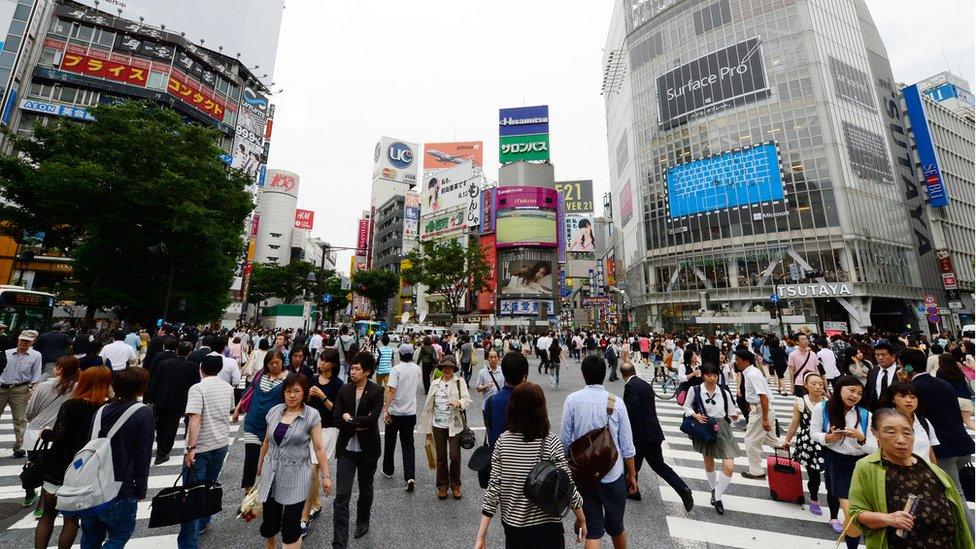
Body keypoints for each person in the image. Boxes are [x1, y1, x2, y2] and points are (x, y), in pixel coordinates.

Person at [476, 382, 586, 549]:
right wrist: (581, 517)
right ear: (541, 409)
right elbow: (567, 486)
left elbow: (494, 489)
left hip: (515, 529)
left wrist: (481, 537)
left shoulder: (503, 442)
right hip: (548, 527)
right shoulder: (551, 441)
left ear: (512, 409)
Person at [848, 408, 973, 549]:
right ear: (875, 433)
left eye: (907, 432)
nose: (901, 440)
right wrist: (889, 519)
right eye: (890, 432)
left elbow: (958, 519)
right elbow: (856, 514)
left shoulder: (935, 471)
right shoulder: (867, 467)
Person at [560, 355, 638, 548]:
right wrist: (632, 475)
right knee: (617, 528)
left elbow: (564, 440)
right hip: (612, 475)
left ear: (583, 374)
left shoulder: (572, 400)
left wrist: (568, 471)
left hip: (584, 476)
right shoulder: (616, 403)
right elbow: (627, 446)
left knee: (592, 531)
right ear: (604, 374)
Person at [35, 365, 111, 549]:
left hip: (58, 463)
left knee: (47, 516)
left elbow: (58, 434)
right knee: (71, 520)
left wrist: (44, 433)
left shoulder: (71, 404)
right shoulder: (106, 408)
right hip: (83, 467)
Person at [79, 367, 153, 549]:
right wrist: (141, 487)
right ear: (141, 388)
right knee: (119, 536)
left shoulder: (100, 411)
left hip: (91, 486)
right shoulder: (142, 412)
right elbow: (143, 453)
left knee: (90, 537)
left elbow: (90, 444)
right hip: (121, 486)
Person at [257, 374, 332, 549]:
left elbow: (319, 448)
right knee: (270, 525)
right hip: (272, 473)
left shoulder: (312, 415)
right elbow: (267, 442)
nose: (291, 395)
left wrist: (326, 476)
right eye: (288, 391)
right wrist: (260, 466)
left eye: (297, 391)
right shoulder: (274, 411)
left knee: (291, 527)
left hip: (297, 476)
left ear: (305, 393)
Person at [810, 375, 877, 545]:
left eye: (859, 393)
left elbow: (874, 448)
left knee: (855, 515)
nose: (855, 396)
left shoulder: (866, 415)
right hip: (837, 462)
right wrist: (828, 437)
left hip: (861, 464)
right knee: (852, 515)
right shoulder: (822, 408)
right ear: (839, 388)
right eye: (851, 390)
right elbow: (814, 433)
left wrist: (860, 438)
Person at [178, 355, 236, 548]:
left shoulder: (197, 388)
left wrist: (191, 448)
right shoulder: (228, 388)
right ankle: (204, 522)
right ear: (219, 369)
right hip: (220, 444)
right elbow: (228, 410)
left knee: (191, 495)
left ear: (201, 368)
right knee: (209, 485)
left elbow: (195, 418)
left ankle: (188, 542)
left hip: (201, 447)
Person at [620, 362, 693, 510]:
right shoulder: (645, 384)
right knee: (658, 465)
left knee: (631, 464)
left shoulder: (630, 386)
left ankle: (631, 491)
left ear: (623, 375)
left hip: (639, 435)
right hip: (653, 432)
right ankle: (682, 488)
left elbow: (631, 411)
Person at [906, 348, 975, 499]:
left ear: (907, 368)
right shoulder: (942, 383)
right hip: (962, 444)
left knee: (954, 494)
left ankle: (967, 524)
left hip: (943, 450)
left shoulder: (915, 389)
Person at [332, 352, 383, 547]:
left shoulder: (377, 390)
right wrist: (351, 421)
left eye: (357, 369)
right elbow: (336, 418)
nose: (352, 371)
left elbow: (372, 419)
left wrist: (350, 418)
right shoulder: (345, 390)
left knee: (366, 488)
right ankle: (339, 542)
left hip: (367, 449)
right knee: (342, 495)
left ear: (367, 372)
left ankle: (363, 521)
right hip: (346, 449)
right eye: (352, 368)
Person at [23, 355, 80, 513]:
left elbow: (30, 412)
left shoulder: (42, 386)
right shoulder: (78, 388)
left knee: (33, 463)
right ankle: (42, 506)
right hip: (59, 434)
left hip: (36, 432)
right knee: (49, 470)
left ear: (59, 369)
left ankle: (29, 493)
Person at [682, 363, 739, 515]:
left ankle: (718, 496)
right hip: (705, 426)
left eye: (715, 375)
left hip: (723, 428)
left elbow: (731, 412)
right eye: (709, 375)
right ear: (703, 375)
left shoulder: (724, 392)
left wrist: (734, 416)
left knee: (729, 465)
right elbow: (686, 406)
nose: (712, 378)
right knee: (709, 461)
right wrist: (695, 415)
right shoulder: (695, 390)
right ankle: (714, 489)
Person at [782, 372, 839, 519]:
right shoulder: (800, 402)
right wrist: (787, 441)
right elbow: (794, 423)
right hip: (808, 443)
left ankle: (833, 510)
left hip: (826, 442)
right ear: (806, 386)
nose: (818, 386)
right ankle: (814, 498)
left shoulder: (828, 402)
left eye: (820, 384)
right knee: (814, 476)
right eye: (814, 383)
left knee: (829, 475)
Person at [300, 348, 343, 536]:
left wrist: (322, 396)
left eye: (326, 361)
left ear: (333, 364)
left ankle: (304, 518)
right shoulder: (314, 380)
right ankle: (316, 504)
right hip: (311, 428)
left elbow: (337, 410)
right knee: (310, 468)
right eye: (321, 360)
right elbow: (307, 405)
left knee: (313, 468)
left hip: (327, 430)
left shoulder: (338, 384)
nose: (322, 363)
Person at [235, 350, 287, 494]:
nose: (274, 365)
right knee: (251, 457)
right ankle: (248, 493)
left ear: (283, 362)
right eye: (271, 363)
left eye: (277, 362)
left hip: (272, 427)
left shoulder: (288, 379)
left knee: (268, 460)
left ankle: (266, 492)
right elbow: (249, 391)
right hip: (252, 422)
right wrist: (237, 408)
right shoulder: (260, 374)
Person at [419, 355, 471, 500]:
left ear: (454, 368)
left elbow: (467, 399)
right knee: (441, 458)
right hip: (438, 425)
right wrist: (427, 430)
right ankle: (442, 486)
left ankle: (456, 485)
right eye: (445, 367)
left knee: (454, 456)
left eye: (450, 367)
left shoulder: (460, 382)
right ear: (441, 368)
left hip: (455, 424)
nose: (448, 369)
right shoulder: (435, 383)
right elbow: (428, 407)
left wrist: (459, 403)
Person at [149, 341, 200, 465]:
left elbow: (154, 381)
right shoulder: (192, 366)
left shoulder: (163, 364)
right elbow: (195, 385)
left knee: (160, 424)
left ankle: (161, 446)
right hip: (179, 400)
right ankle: (164, 451)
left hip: (162, 398)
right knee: (172, 425)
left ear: (177, 350)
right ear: (189, 352)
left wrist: (152, 397)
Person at [735, 348, 783, 479]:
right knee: (772, 440)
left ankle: (756, 471)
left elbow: (763, 396)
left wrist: (765, 418)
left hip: (761, 411)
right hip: (760, 409)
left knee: (751, 441)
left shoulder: (752, 374)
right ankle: (788, 459)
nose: (736, 362)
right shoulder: (751, 372)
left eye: (737, 359)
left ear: (745, 360)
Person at [381, 343, 421, 490]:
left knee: (390, 442)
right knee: (408, 445)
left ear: (400, 354)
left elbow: (391, 391)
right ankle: (409, 476)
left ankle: (388, 470)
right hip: (410, 412)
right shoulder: (417, 369)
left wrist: (386, 409)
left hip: (395, 412)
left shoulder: (396, 369)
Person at [0, 330, 43, 458]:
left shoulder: (36, 356)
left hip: (20, 389)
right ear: (18, 339)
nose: (23, 343)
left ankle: (19, 446)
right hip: (1, 388)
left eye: (27, 341)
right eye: (21, 340)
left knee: (20, 419)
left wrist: (33, 390)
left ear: (32, 342)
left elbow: (36, 376)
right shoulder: (5, 353)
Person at [877, 382, 939, 463]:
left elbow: (930, 452)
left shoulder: (924, 422)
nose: (909, 400)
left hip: (925, 472)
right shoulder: (885, 421)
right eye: (902, 396)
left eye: (913, 397)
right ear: (893, 399)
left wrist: (934, 472)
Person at [935, 353, 975, 429]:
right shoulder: (959, 372)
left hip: (952, 399)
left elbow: (939, 387)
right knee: (968, 421)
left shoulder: (940, 372)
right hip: (966, 399)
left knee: (952, 422)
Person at [863, 342, 897, 411]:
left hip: (895, 412)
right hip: (875, 411)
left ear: (893, 357)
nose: (880, 358)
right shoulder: (873, 371)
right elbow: (868, 391)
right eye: (877, 355)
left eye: (884, 355)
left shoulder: (901, 372)